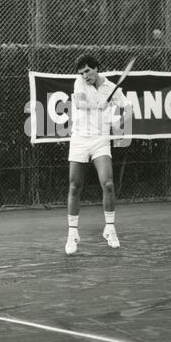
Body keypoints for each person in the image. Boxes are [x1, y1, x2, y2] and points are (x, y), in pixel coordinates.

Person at [65, 53, 132, 255]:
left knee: (108, 183)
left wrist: (121, 123)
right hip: (79, 139)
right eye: (81, 73)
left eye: (87, 71)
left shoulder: (111, 88)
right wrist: (98, 105)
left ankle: (110, 229)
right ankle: (72, 234)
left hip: (100, 140)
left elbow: (129, 108)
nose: (84, 76)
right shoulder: (79, 83)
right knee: (75, 186)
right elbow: (78, 103)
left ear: (96, 68)